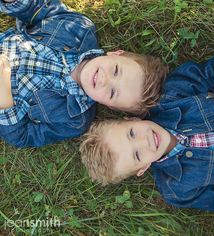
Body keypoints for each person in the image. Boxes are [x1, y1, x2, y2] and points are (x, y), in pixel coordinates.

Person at [80, 55, 214, 214]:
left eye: (132, 133)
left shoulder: (171, 94)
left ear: (132, 119)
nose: (144, 141)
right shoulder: (176, 189)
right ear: (142, 168)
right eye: (137, 155)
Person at [0, 0, 168, 147]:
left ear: (109, 106)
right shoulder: (79, 29)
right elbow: (38, 9)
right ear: (116, 53)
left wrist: (5, 100)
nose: (105, 79)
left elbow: (23, 137)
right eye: (116, 70)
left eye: (112, 92)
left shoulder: (74, 121)